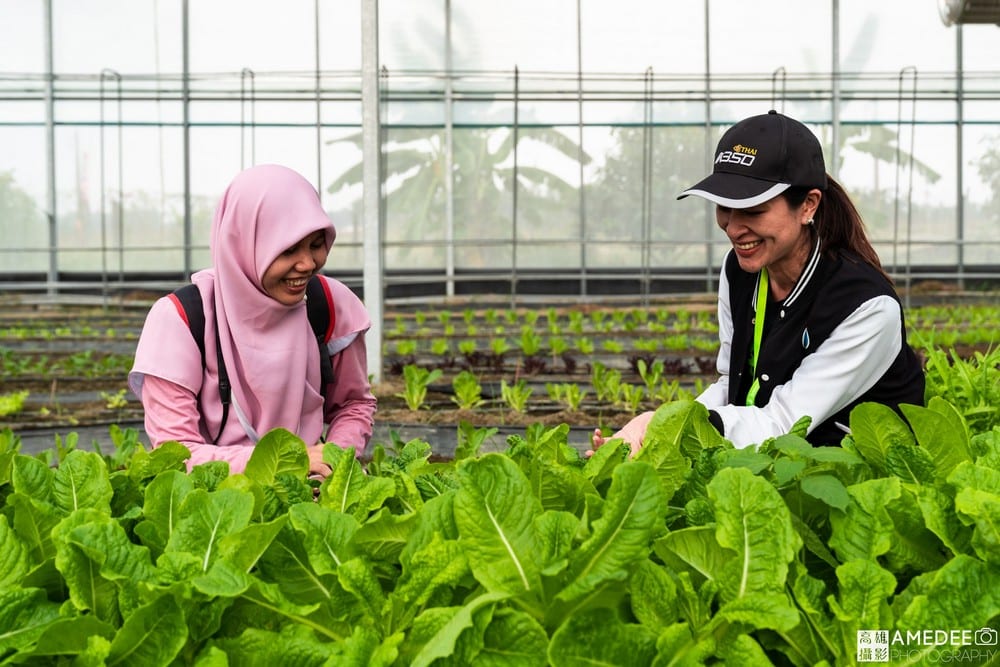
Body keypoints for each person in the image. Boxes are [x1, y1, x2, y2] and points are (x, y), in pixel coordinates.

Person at [592, 110, 925, 453]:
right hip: (771, 459)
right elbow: (732, 383)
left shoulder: (866, 306)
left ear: (808, 205)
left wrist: (671, 428)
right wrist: (654, 431)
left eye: (753, 210)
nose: (734, 228)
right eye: (724, 206)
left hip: (860, 478)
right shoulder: (739, 271)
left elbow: (786, 421)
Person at [129, 164, 376, 477]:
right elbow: (173, 452)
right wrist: (289, 461)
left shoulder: (328, 305)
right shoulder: (182, 320)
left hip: (314, 491)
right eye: (287, 250)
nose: (308, 264)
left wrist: (334, 457)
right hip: (214, 505)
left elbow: (353, 405)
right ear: (244, 243)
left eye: (316, 245)